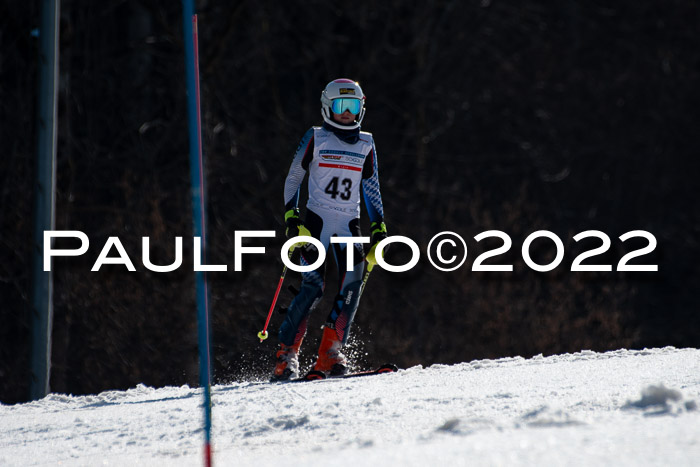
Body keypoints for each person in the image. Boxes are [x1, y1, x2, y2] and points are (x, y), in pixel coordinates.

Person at [272, 78, 388, 381]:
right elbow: (294, 177)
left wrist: (379, 229)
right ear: (328, 107)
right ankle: (287, 355)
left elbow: (371, 188)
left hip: (349, 226)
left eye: (353, 106)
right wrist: (292, 219)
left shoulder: (367, 143)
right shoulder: (316, 137)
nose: (347, 113)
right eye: (340, 106)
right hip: (314, 226)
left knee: (353, 284)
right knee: (313, 287)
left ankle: (330, 352)